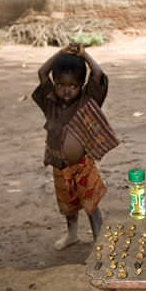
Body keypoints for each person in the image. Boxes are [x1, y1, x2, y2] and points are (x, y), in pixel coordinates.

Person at [32, 42, 119, 250]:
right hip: (59, 166)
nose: (66, 90)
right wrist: (60, 53)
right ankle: (72, 234)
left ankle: (99, 239)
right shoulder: (50, 102)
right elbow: (42, 73)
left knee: (91, 205)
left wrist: (85, 54)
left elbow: (98, 75)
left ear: (81, 85)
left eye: (73, 86)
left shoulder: (87, 101)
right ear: (54, 84)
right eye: (61, 85)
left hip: (82, 166)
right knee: (68, 206)